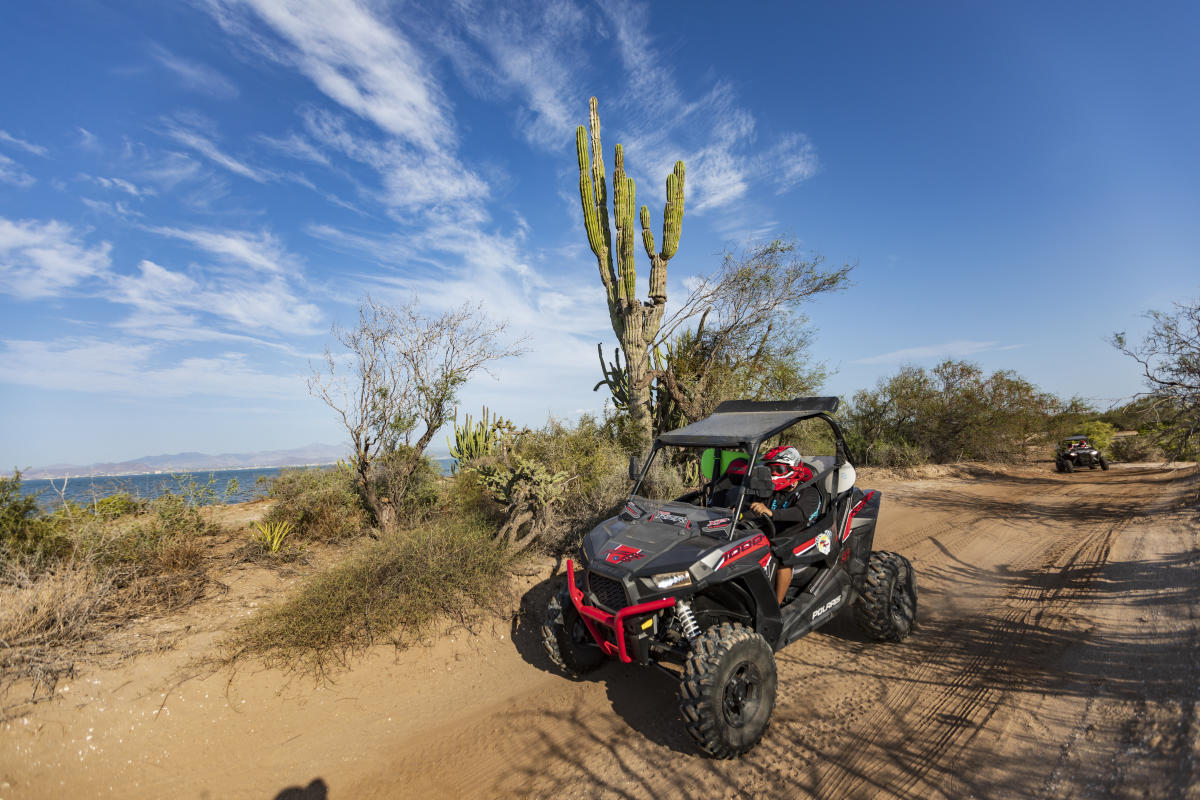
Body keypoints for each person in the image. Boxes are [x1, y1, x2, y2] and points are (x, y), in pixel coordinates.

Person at [745, 445, 822, 606]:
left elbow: (800, 514)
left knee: (783, 559)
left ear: (793, 469)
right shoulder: (773, 492)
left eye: (778, 469)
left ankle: (776, 605)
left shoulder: (809, 492)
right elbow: (758, 510)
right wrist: (738, 514)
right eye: (770, 470)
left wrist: (772, 513)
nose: (773, 474)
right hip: (775, 534)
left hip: (801, 538)